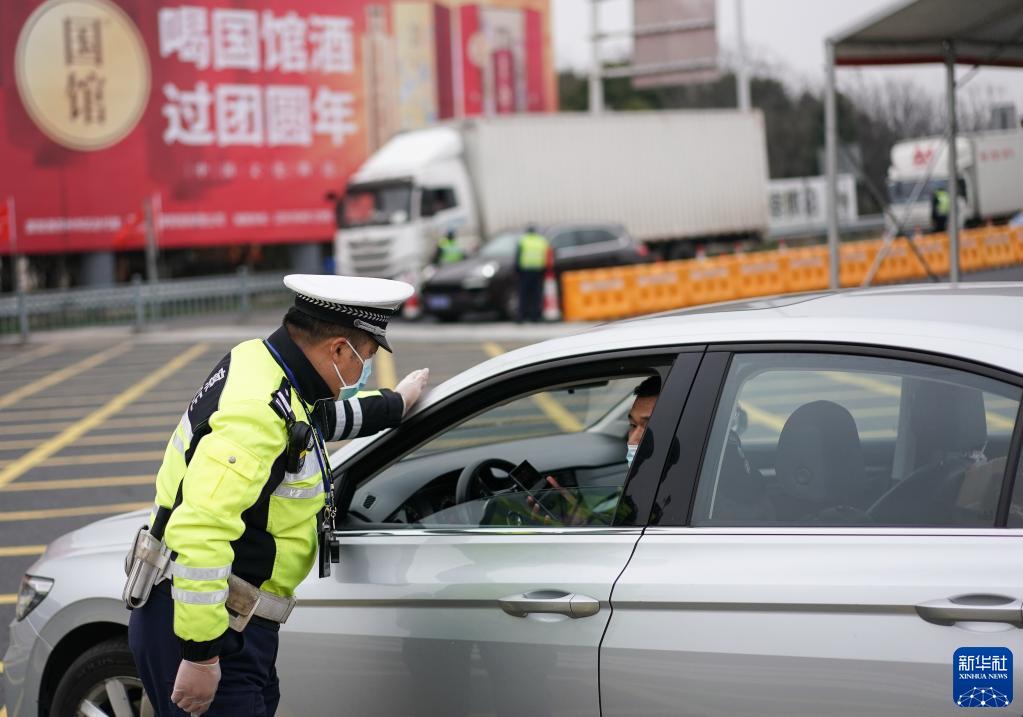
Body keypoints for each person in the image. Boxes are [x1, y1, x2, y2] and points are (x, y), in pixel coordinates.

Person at [127, 274, 430, 716]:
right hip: (204, 625)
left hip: (228, 621)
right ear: (338, 350)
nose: (364, 368)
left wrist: (393, 405)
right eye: (365, 357)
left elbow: (309, 422)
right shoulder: (254, 416)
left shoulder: (262, 362)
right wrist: (200, 655)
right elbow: (200, 531)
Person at [529, 375, 660, 525]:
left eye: (648, 427)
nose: (632, 440)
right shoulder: (642, 491)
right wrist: (579, 522)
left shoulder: (670, 497)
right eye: (633, 425)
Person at [515, 224, 549, 322]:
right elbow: (547, 255)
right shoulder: (541, 241)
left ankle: (521, 316)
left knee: (524, 294)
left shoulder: (523, 240)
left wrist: (517, 270)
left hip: (525, 271)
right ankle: (535, 316)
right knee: (536, 295)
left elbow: (518, 256)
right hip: (538, 270)